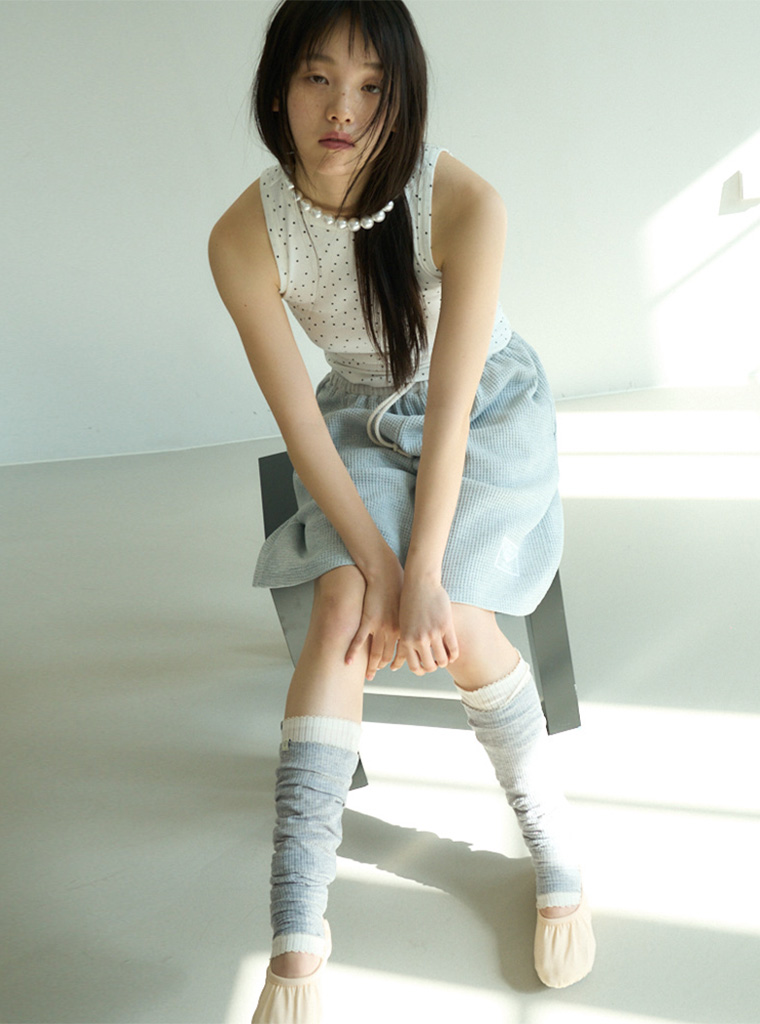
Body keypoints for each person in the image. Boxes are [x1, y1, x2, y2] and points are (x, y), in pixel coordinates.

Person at [208, 2, 595, 1020]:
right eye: (318, 77)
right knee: (345, 605)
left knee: (454, 613)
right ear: (278, 87)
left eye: (373, 85)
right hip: (356, 417)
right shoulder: (243, 236)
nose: (343, 109)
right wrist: (379, 570)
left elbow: (454, 409)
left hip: (485, 409)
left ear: (404, 95)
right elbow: (301, 425)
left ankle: (552, 838)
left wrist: (420, 573)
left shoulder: (464, 202)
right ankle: (297, 933)